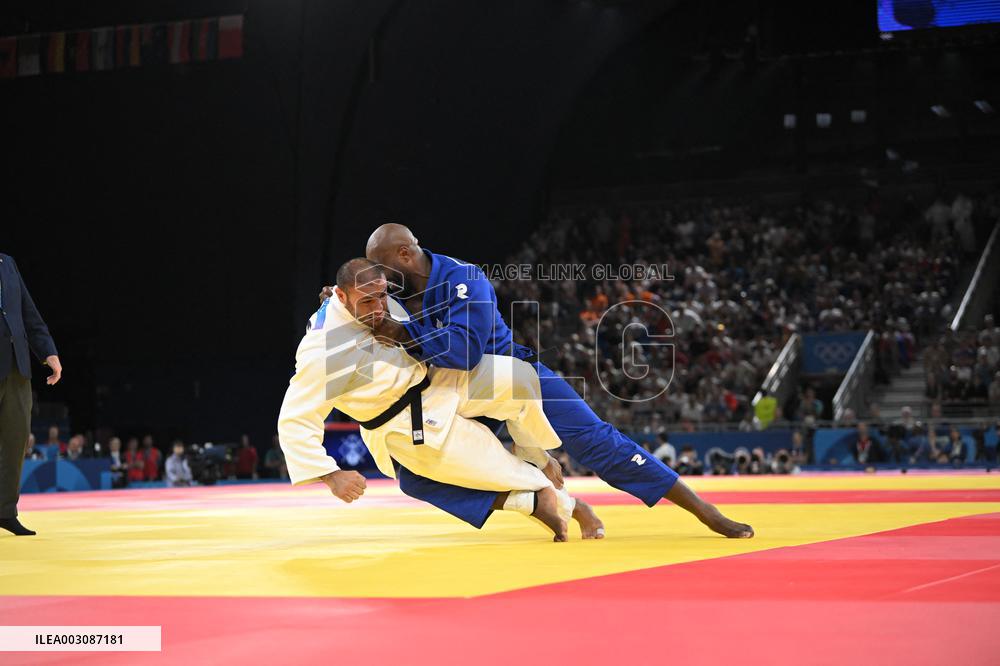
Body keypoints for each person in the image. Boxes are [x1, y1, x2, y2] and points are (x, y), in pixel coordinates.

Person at [348, 223, 753, 538]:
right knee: (414, 476)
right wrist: (340, 299)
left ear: (404, 254)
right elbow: (355, 314)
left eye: (380, 269)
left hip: (509, 377)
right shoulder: (390, 294)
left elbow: (466, 354)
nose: (377, 280)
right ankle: (565, 505)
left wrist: (403, 334)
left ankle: (705, 510)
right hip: (448, 394)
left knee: (595, 442)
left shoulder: (464, 280)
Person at [280, 259, 602, 541]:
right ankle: (567, 505)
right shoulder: (325, 349)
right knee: (506, 471)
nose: (378, 307)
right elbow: (296, 417)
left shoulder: (370, 297)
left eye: (382, 296)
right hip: (407, 424)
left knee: (519, 379)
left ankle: (537, 454)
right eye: (367, 302)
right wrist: (330, 474)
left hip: (437, 379)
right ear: (341, 296)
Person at [0, 253, 61, 537]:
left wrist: (48, 351)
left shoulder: (7, 263)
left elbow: (28, 313)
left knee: (16, 439)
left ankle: (5, 512)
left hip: (16, 365)